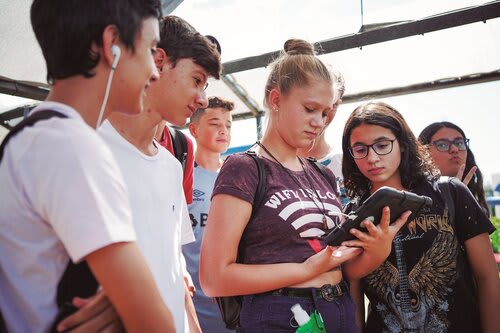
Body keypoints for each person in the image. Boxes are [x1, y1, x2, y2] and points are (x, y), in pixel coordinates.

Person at [199, 39, 410, 332]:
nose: (318, 122)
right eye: (310, 108)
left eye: (324, 113)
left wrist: (377, 249)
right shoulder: (245, 168)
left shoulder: (323, 175)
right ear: (275, 100)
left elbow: (340, 269)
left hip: (338, 310)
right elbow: (213, 278)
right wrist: (304, 269)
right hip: (282, 315)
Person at [0, 1, 177, 332]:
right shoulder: (72, 146)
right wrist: (131, 311)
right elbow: (156, 325)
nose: (155, 71)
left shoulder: (28, 137)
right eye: (151, 50)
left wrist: (120, 304)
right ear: (112, 44)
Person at [55, 15, 222, 333]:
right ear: (159, 62)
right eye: (197, 80)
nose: (203, 99)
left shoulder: (173, 165)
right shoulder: (77, 147)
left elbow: (175, 270)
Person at [341, 101, 499, 332]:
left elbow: (487, 277)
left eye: (382, 145)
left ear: (403, 144)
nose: (372, 157)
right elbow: (352, 295)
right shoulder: (352, 215)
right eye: (360, 149)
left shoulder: (450, 193)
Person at [183, 96, 234, 332]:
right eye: (215, 123)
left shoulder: (241, 176)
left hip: (236, 304)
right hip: (196, 307)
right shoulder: (183, 179)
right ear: (194, 129)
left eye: (228, 125)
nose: (223, 130)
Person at [298, 70, 348, 205]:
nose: (320, 117)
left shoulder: (346, 164)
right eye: (312, 105)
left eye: (332, 104)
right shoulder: (269, 165)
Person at [418, 121, 489, 214]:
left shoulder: (474, 198)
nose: (455, 149)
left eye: (459, 143)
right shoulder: (413, 197)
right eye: (442, 145)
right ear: (423, 151)